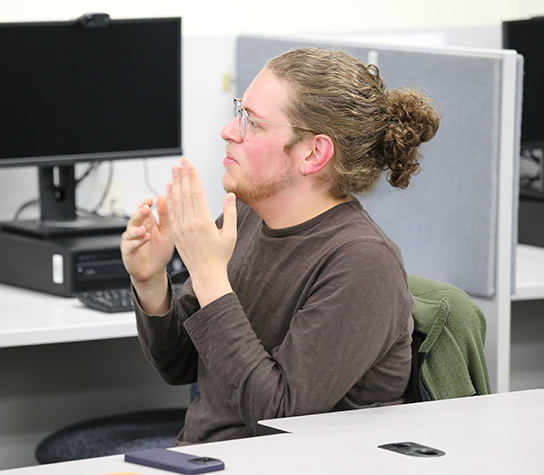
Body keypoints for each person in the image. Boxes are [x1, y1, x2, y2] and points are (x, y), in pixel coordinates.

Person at [120, 47, 440, 445]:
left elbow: (278, 416)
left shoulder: (362, 262)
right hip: (207, 457)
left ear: (313, 153)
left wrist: (209, 275)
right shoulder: (249, 219)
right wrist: (151, 282)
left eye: (251, 122)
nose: (228, 131)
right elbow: (181, 363)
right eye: (240, 112)